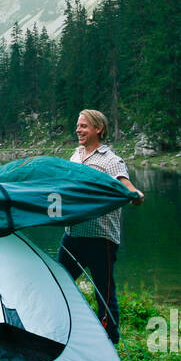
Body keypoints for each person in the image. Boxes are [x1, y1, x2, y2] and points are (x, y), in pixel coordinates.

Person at [56, 109, 143, 344]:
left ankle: (109, 339)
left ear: (98, 129)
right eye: (77, 125)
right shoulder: (75, 156)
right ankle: (61, 329)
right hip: (72, 235)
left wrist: (135, 195)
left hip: (100, 238)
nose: (78, 130)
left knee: (103, 293)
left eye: (84, 126)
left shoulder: (111, 161)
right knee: (58, 283)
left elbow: (128, 188)